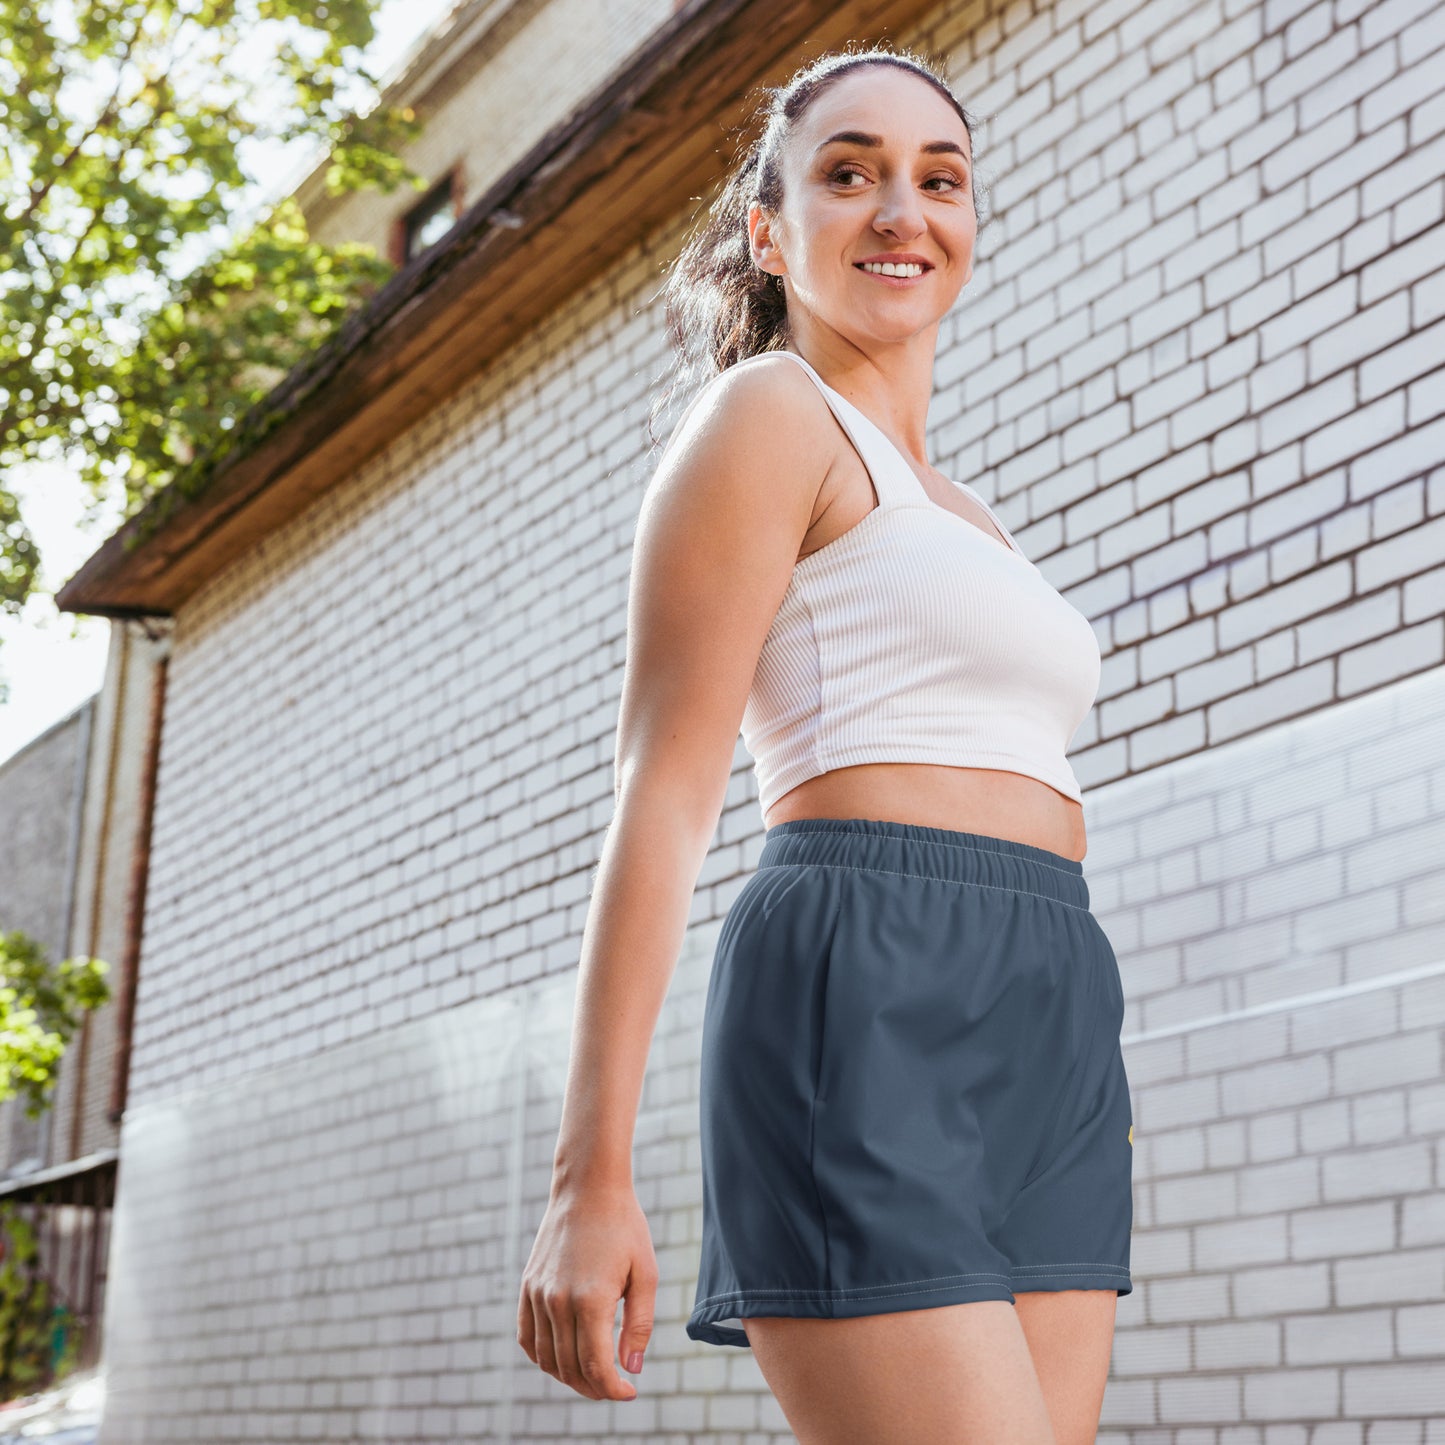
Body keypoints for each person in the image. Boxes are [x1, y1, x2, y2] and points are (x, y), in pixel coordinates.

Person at [516, 44, 1134, 1445]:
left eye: (939, 178)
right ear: (767, 230)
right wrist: (587, 1176)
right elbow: (661, 795)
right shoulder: (766, 417)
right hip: (865, 973)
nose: (900, 210)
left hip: (1050, 998)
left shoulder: (969, 510)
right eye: (848, 173)